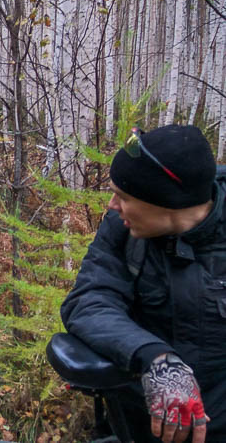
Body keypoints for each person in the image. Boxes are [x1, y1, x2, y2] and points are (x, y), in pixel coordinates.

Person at [61, 124, 225, 443]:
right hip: (140, 429)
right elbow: (89, 300)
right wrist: (156, 358)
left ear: (166, 202)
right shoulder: (123, 231)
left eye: (123, 196)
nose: (111, 205)